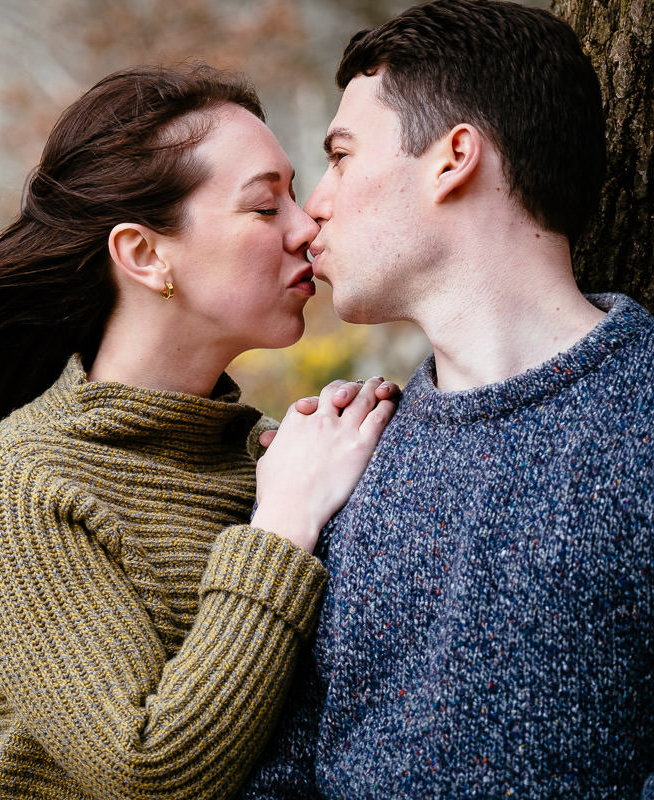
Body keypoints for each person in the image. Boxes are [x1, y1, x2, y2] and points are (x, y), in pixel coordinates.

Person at [0, 64, 398, 800]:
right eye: (265, 206)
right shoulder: (21, 485)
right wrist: (280, 528)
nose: (308, 227)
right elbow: (147, 773)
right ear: (145, 255)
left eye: (296, 196)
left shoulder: (282, 457)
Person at [238, 1, 654, 798]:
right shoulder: (344, 452)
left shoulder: (640, 420)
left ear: (453, 156)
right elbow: (282, 766)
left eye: (342, 155)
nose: (312, 209)